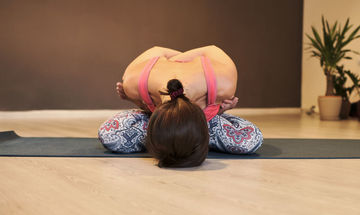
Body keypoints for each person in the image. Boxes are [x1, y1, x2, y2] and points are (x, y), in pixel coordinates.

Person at [98, 45, 263, 167]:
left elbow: (159, 49)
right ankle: (187, 133)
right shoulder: (134, 85)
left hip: (168, 120)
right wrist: (217, 111)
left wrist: (178, 61)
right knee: (110, 136)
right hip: (173, 120)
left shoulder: (133, 84)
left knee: (251, 140)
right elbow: (210, 49)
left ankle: (183, 134)